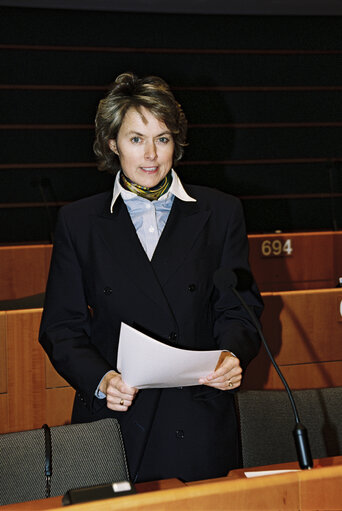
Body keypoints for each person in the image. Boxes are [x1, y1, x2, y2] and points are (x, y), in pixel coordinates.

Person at [39, 72, 263, 484]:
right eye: (135, 138)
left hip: (197, 412)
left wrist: (233, 355)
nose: (150, 155)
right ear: (112, 143)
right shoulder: (78, 221)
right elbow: (60, 326)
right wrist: (103, 379)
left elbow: (240, 308)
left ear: (175, 143)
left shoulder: (221, 212)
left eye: (162, 138)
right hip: (117, 413)